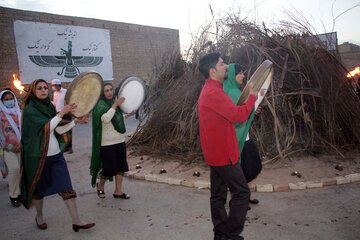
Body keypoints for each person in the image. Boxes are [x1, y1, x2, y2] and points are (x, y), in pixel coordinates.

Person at [20, 79, 95, 232]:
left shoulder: (49, 107)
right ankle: (39, 216)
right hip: (39, 158)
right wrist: (62, 113)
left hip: (56, 157)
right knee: (39, 192)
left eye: (45, 88)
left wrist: (75, 122)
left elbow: (58, 130)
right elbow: (46, 128)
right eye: (39, 88)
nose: (43, 90)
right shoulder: (29, 111)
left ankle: (77, 221)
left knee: (67, 188)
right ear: (33, 91)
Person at [197, 53, 258, 240]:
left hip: (215, 154)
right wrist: (253, 97)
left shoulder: (212, 90)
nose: (226, 66)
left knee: (218, 196)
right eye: (222, 64)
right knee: (242, 193)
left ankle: (220, 234)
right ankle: (230, 235)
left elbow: (231, 114)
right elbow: (238, 116)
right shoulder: (214, 93)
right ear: (212, 70)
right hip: (223, 155)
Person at [223, 64, 263, 210]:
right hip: (236, 138)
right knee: (242, 170)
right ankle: (237, 200)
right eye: (240, 73)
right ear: (233, 75)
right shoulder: (232, 92)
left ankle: (246, 196)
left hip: (242, 137)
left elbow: (243, 108)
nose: (243, 76)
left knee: (249, 167)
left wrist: (253, 108)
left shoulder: (233, 90)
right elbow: (239, 114)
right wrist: (253, 106)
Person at [90, 82, 135, 199]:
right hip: (107, 144)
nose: (109, 92)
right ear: (102, 93)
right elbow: (106, 119)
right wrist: (115, 105)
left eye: (111, 90)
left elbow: (116, 119)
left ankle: (118, 191)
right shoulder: (100, 106)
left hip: (120, 141)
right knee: (108, 169)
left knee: (120, 168)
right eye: (106, 91)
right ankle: (100, 187)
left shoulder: (113, 105)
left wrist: (128, 115)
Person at [0, 89, 22, 207]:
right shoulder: (1, 114)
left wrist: (21, 144)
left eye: (11, 99)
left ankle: (20, 193)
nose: (9, 101)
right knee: (14, 169)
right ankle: (13, 195)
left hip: (20, 147)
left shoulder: (19, 112)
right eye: (6, 99)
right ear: (1, 101)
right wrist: (8, 146)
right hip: (8, 149)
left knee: (21, 171)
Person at [51, 78, 73, 153]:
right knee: (60, 130)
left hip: (66, 113)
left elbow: (70, 101)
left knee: (68, 129)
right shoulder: (55, 93)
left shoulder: (65, 92)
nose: (53, 87)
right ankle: (63, 146)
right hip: (58, 114)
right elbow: (54, 103)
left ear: (58, 85)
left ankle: (69, 147)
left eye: (54, 85)